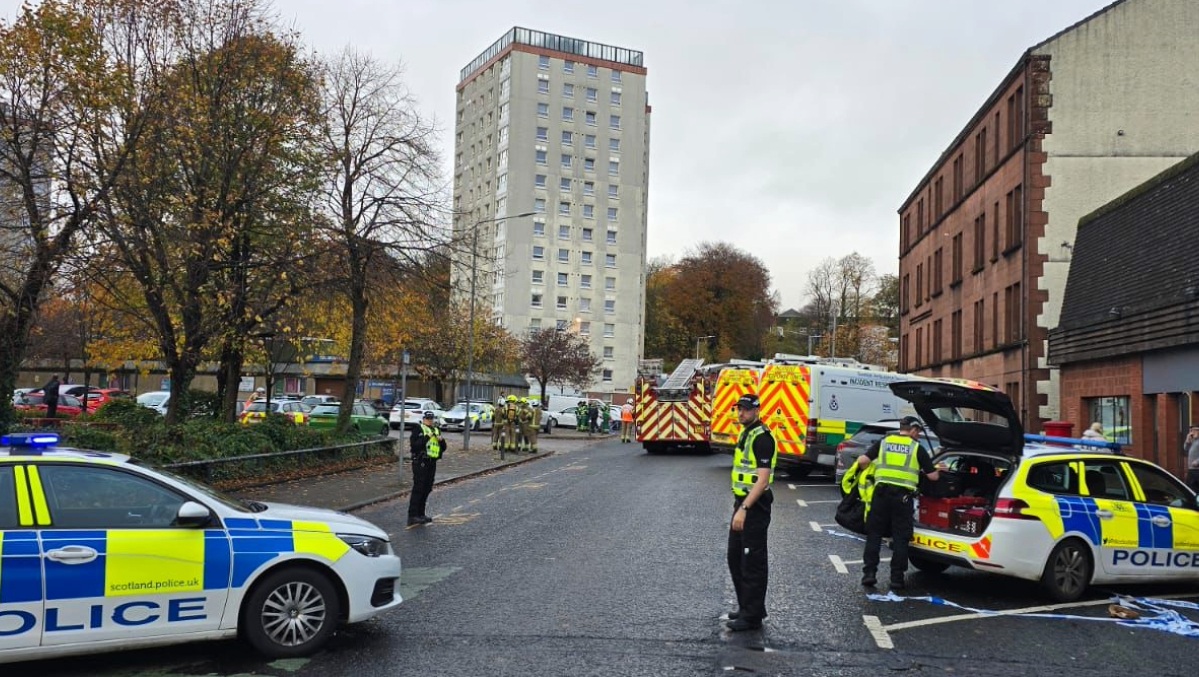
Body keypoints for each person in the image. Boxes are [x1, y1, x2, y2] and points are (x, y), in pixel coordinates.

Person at [855, 416, 940, 590]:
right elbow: (933, 477)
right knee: (901, 538)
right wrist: (934, 470)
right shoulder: (916, 448)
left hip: (880, 495)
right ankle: (896, 579)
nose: (919, 436)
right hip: (903, 499)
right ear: (914, 430)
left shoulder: (884, 442)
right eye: (919, 432)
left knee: (874, 535)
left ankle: (869, 574)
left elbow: (862, 461)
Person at [725, 394, 777, 632]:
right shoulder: (747, 433)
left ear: (757, 410)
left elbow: (763, 480)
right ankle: (748, 605)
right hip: (743, 502)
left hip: (754, 506)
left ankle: (752, 616)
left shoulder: (763, 438)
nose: (741, 413)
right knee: (735, 557)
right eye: (739, 409)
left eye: (745, 410)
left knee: (752, 561)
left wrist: (744, 509)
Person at [407, 411, 444, 526]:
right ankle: (413, 515)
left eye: (431, 418)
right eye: (427, 418)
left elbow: (443, 447)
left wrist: (442, 441)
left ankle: (421, 514)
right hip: (420, 461)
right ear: (423, 419)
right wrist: (426, 437)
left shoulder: (436, 430)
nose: (430, 420)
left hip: (432, 462)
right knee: (419, 487)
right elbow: (415, 445)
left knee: (427, 488)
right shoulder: (418, 429)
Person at [1185, 425, 1199, 492]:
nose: (1193, 432)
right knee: (1189, 488)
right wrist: (1187, 441)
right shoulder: (1192, 440)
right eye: (1192, 430)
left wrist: (1197, 461)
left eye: (1195, 430)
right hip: (1191, 469)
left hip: (1197, 469)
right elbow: (1185, 449)